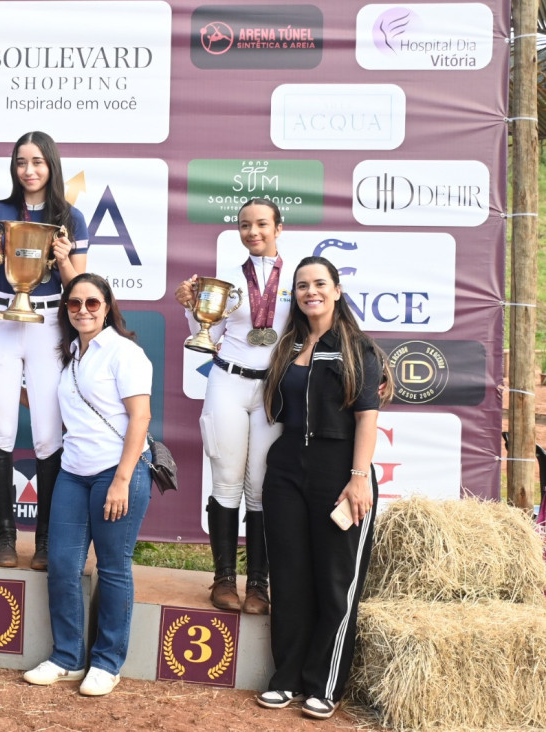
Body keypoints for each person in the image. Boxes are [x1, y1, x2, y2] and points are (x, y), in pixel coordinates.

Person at [255, 256, 391, 720]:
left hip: (340, 471)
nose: (310, 292)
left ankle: (324, 685)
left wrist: (358, 478)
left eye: (319, 284)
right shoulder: (288, 344)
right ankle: (286, 679)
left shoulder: (357, 348)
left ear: (336, 290)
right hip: (286, 469)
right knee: (289, 579)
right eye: (301, 286)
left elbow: (367, 419)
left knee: (336, 584)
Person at [22, 273, 152, 697]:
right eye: (74, 303)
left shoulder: (124, 352)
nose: (83, 310)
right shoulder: (70, 354)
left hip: (117, 472)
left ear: (107, 306)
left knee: (112, 567)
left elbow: (141, 417)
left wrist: (121, 480)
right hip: (73, 474)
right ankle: (67, 657)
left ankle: (107, 662)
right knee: (62, 564)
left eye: (92, 303)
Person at [0, 130, 89, 570]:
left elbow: (80, 289)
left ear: (51, 165)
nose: (29, 170)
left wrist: (64, 258)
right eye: (21, 162)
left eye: (37, 161)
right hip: (1, 317)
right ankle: (5, 535)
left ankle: (45, 539)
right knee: (0, 429)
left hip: (49, 321)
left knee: (48, 434)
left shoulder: (71, 217)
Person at [174, 197, 292, 614]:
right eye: (245, 225)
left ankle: (258, 584)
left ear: (279, 228)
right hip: (227, 380)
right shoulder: (226, 279)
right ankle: (224, 579)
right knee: (226, 480)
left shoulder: (297, 279)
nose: (253, 231)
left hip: (272, 389)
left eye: (261, 224)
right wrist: (192, 308)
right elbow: (207, 332)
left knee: (260, 486)